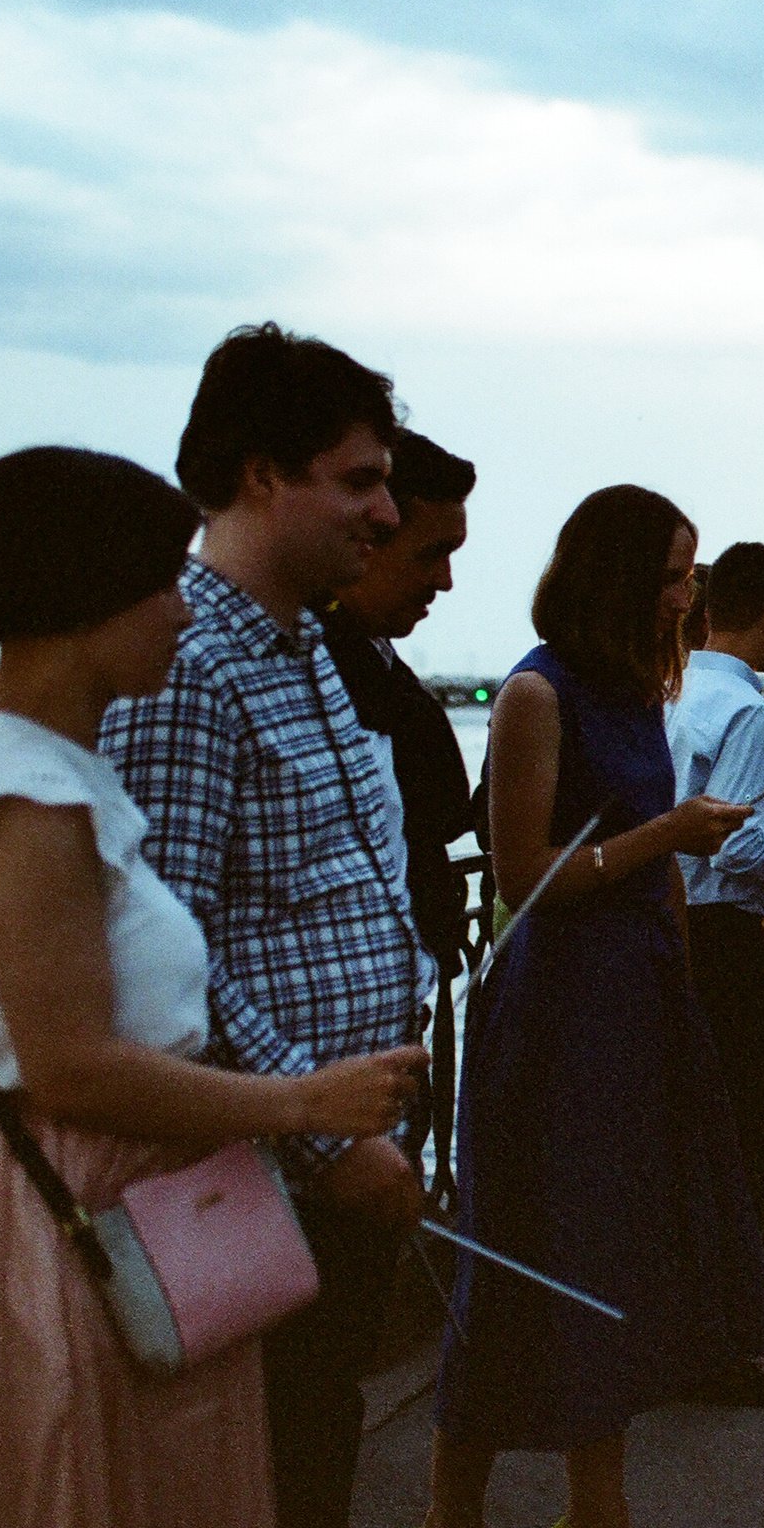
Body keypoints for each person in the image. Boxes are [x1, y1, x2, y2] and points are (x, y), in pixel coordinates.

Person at [0, 448, 424, 1528]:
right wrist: (305, 1104)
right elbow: (70, 1065)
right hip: (71, 1203)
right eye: (160, 584)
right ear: (81, 598)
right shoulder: (26, 788)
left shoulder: (42, 760)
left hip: (108, 1195)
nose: (184, 612)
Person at [98, 322, 431, 1528]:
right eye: (359, 480)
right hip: (268, 1172)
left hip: (335, 1150)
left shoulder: (301, 644)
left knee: (313, 1447)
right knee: (267, 1473)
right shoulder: (188, 663)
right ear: (258, 475)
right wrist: (322, 1134)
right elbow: (159, 945)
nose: (386, 512)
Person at [418, 487, 764, 1528]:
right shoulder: (537, 693)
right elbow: (520, 874)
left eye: (691, 575)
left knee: (614, 1257)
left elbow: (654, 873)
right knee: (530, 1255)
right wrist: (669, 832)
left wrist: (681, 990)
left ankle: (592, 1512)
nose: (687, 596)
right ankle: (455, 1517)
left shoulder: (633, 690)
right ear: (618, 576)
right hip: (558, 1009)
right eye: (672, 576)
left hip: (638, 995)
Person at [317, 429, 477, 1200]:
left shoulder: (370, 664)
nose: (445, 580)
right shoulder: (334, 671)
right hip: (326, 1091)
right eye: (429, 554)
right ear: (369, 535)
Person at [670, 541, 764, 1263]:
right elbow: (736, 844)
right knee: (748, 1078)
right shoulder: (747, 708)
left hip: (667, 911)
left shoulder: (673, 689)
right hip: (724, 924)